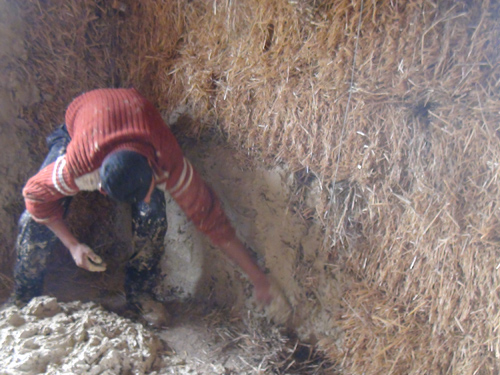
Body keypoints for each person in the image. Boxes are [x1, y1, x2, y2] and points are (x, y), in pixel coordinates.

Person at [12, 88, 272, 321]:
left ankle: (140, 292)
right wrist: (73, 245)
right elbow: (34, 195)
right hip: (84, 123)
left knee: (153, 217)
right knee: (33, 222)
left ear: (152, 170)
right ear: (99, 185)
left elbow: (212, 220)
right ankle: (25, 299)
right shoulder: (78, 165)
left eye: (147, 191)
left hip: (139, 123)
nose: (146, 198)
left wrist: (257, 277)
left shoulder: (167, 160)